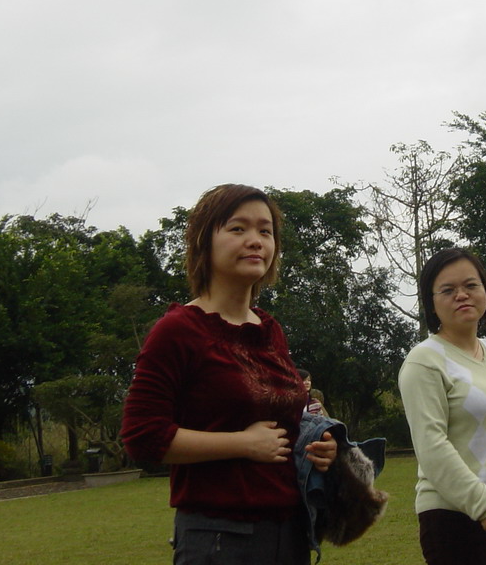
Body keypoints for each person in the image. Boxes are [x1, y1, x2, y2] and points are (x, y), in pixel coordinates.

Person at [121, 184, 338, 565]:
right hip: (218, 537)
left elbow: (289, 421)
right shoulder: (178, 330)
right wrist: (241, 443)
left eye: (265, 231)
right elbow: (142, 436)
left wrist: (318, 447)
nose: (255, 241)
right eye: (238, 229)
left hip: (290, 532)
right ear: (204, 242)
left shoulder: (270, 330)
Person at [398, 248, 486, 565]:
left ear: (485, 291)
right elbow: (431, 446)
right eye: (448, 290)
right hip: (455, 515)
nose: (461, 295)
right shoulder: (424, 361)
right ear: (431, 302)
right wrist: (484, 507)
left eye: (471, 285)